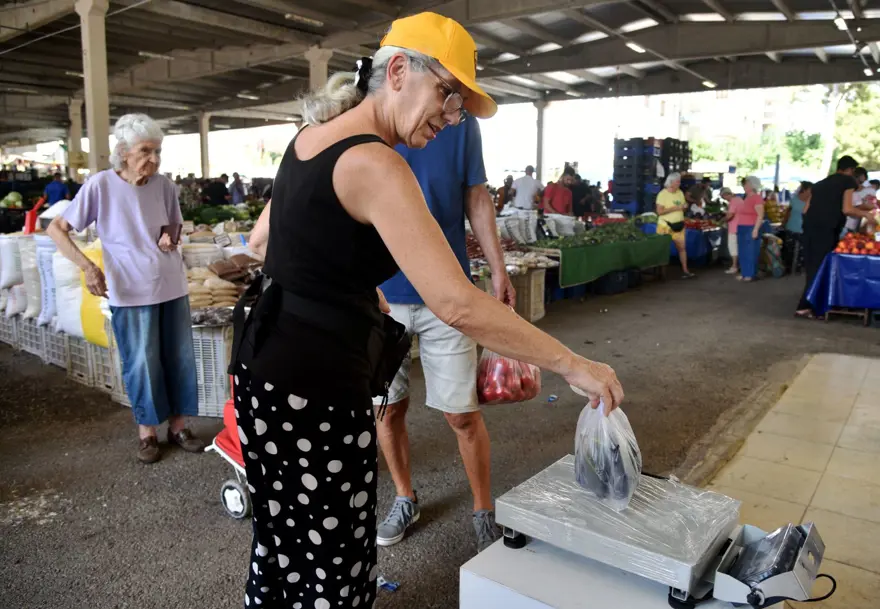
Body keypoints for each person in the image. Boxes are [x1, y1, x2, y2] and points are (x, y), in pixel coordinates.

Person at [238, 12, 623, 609]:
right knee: (333, 563)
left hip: (267, 376)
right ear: (398, 71)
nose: (450, 117)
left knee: (284, 549)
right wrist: (571, 362)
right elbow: (455, 303)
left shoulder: (313, 136)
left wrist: (358, 287)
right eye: (446, 93)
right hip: (315, 391)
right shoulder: (376, 163)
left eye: (458, 106)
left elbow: (281, 246)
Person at [373, 117, 515, 552]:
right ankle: (404, 497)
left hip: (447, 293)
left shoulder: (461, 125)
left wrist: (497, 267)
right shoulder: (375, 121)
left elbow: (476, 196)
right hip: (382, 296)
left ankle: (483, 509)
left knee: (462, 415)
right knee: (387, 409)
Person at [47, 114, 203, 464]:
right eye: (145, 150)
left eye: (157, 151)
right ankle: (147, 432)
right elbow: (57, 229)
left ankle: (179, 427)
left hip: (171, 284)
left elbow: (174, 225)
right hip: (130, 290)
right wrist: (88, 267)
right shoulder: (101, 185)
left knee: (178, 358)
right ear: (123, 152)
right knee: (142, 361)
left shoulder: (164, 185)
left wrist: (170, 236)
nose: (154, 158)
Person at [795, 156, 875, 318]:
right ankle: (808, 307)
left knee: (812, 267)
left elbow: (805, 210)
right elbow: (846, 209)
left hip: (809, 229)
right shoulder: (848, 182)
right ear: (851, 170)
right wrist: (867, 214)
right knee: (821, 267)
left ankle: (810, 304)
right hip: (826, 230)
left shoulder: (819, 184)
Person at [655, 172, 694, 278]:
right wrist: (675, 208)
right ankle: (661, 273)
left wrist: (684, 206)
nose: (679, 184)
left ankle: (685, 270)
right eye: (677, 182)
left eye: (679, 182)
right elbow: (659, 212)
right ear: (671, 182)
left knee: (682, 248)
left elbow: (683, 205)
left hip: (679, 225)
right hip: (665, 226)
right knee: (662, 249)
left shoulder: (680, 193)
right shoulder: (662, 194)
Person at [736, 176, 765, 282]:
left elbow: (760, 215)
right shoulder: (746, 197)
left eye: (747, 184)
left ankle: (750, 274)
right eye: (745, 184)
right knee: (742, 251)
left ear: (753, 185)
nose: (745, 186)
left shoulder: (757, 198)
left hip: (751, 227)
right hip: (741, 227)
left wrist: (756, 229)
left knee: (750, 251)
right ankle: (744, 273)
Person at [784, 181, 811, 273]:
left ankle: (799, 267)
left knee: (802, 250)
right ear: (805, 190)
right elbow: (788, 212)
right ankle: (789, 266)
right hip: (791, 227)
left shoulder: (812, 202)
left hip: (804, 229)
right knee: (789, 249)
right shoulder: (794, 199)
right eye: (810, 190)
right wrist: (784, 223)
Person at [844, 167, 876, 234]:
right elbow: (860, 207)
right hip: (847, 225)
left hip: (853, 225)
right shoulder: (852, 191)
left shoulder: (868, 190)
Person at [720, 187, 743, 274]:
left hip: (734, 228)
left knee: (733, 247)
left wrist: (722, 220)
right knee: (738, 247)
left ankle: (734, 266)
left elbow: (730, 215)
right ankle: (739, 265)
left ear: (726, 195)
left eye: (723, 197)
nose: (724, 199)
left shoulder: (733, 201)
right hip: (741, 227)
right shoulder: (739, 199)